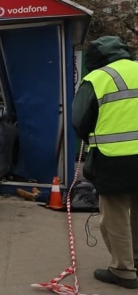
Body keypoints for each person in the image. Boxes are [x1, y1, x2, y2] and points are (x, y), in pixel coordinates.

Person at [72, 36, 138, 289]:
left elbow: (79, 121)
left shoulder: (98, 79)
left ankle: (123, 270)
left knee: (115, 216)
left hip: (114, 159)